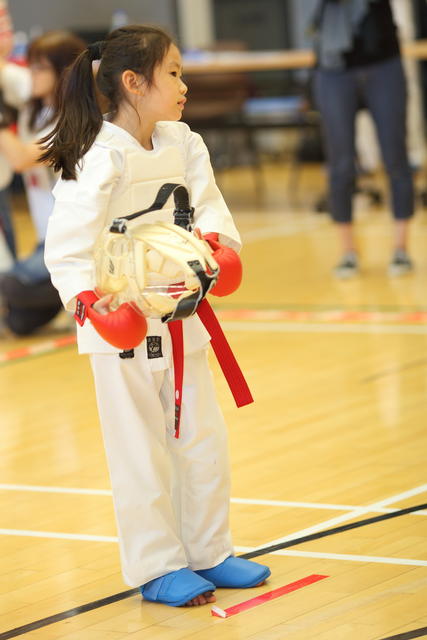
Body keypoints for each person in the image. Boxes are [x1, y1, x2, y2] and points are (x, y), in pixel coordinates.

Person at [42, 25, 270, 608]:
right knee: (137, 449)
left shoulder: (183, 141)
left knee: (203, 439)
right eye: (173, 73)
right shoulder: (97, 156)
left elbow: (210, 204)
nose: (183, 84)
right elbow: (66, 247)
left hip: (180, 314)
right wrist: (91, 305)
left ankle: (210, 550)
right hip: (119, 325)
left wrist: (221, 249)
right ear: (133, 83)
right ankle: (156, 565)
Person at [311, 0, 415, 278]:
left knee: (396, 157)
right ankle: (347, 252)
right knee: (340, 163)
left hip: (384, 62)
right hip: (333, 67)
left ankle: (401, 248)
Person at [0, 30, 86, 334]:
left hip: (74, 241)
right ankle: (69, 297)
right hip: (44, 238)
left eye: (39, 68)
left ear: (64, 72)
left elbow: (22, 158)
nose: (31, 74)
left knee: (9, 286)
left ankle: (85, 291)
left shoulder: (74, 120)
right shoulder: (34, 113)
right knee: (18, 322)